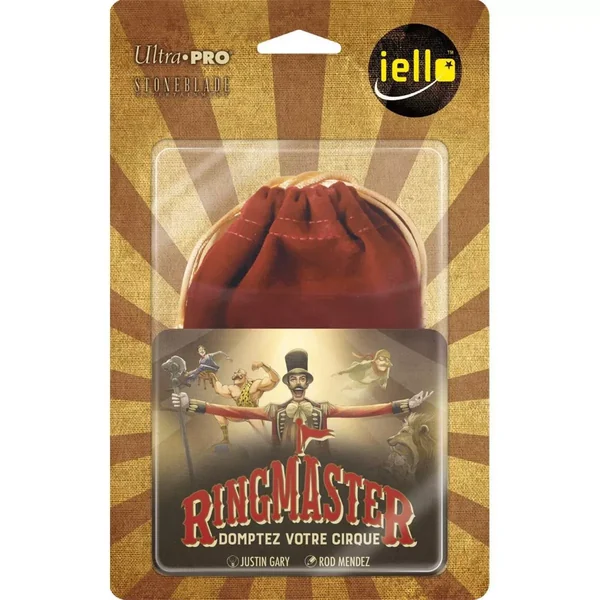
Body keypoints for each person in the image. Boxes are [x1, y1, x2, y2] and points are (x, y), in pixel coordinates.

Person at [172, 349, 431, 451]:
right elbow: (236, 412)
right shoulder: (273, 411)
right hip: (281, 478)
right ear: (288, 383)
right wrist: (191, 404)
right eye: (293, 379)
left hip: (321, 477)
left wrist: (404, 405)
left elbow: (361, 411)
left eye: (301, 379)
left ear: (307, 383)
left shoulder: (324, 409)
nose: (297, 383)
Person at [207, 362, 280, 444]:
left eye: (239, 372)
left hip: (253, 413)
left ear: (245, 376)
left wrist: (263, 365)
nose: (236, 373)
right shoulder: (232, 389)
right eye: (235, 372)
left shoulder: (254, 385)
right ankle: (226, 439)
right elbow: (219, 390)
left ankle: (273, 445)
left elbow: (275, 380)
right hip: (240, 413)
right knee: (217, 410)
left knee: (266, 438)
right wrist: (213, 377)